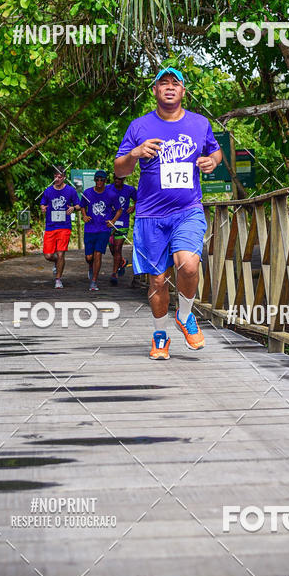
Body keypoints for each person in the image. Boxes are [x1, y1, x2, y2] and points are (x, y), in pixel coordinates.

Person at [115, 66, 222, 358]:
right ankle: (160, 334)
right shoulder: (139, 126)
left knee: (188, 265)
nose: (170, 87)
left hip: (188, 210)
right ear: (155, 91)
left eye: (176, 83)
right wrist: (135, 153)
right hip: (150, 216)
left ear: (183, 91)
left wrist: (213, 161)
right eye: (163, 83)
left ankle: (185, 314)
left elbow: (215, 151)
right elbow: (119, 168)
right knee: (157, 280)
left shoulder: (200, 124)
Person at [80, 170, 122, 292]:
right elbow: (82, 205)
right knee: (89, 257)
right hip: (90, 228)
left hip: (103, 229)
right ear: (94, 180)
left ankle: (94, 281)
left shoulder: (111, 194)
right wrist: (84, 215)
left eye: (102, 180)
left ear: (105, 181)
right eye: (97, 179)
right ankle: (91, 266)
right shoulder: (88, 192)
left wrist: (113, 221)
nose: (99, 182)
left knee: (98, 253)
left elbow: (119, 210)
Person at [40, 167, 81, 289]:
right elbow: (43, 203)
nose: (57, 179)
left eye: (59, 177)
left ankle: (58, 279)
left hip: (64, 226)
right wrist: (43, 208)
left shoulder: (71, 191)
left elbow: (78, 205)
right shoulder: (48, 191)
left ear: (64, 178)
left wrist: (73, 208)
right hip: (51, 226)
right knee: (48, 255)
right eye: (55, 176)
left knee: (61, 253)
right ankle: (57, 263)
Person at [108, 175, 137, 286]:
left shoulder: (130, 189)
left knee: (117, 247)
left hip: (123, 222)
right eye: (115, 178)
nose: (117, 181)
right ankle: (122, 261)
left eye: (119, 179)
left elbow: (139, 200)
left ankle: (114, 274)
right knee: (112, 248)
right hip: (110, 222)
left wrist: (133, 207)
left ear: (123, 179)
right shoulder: (108, 189)